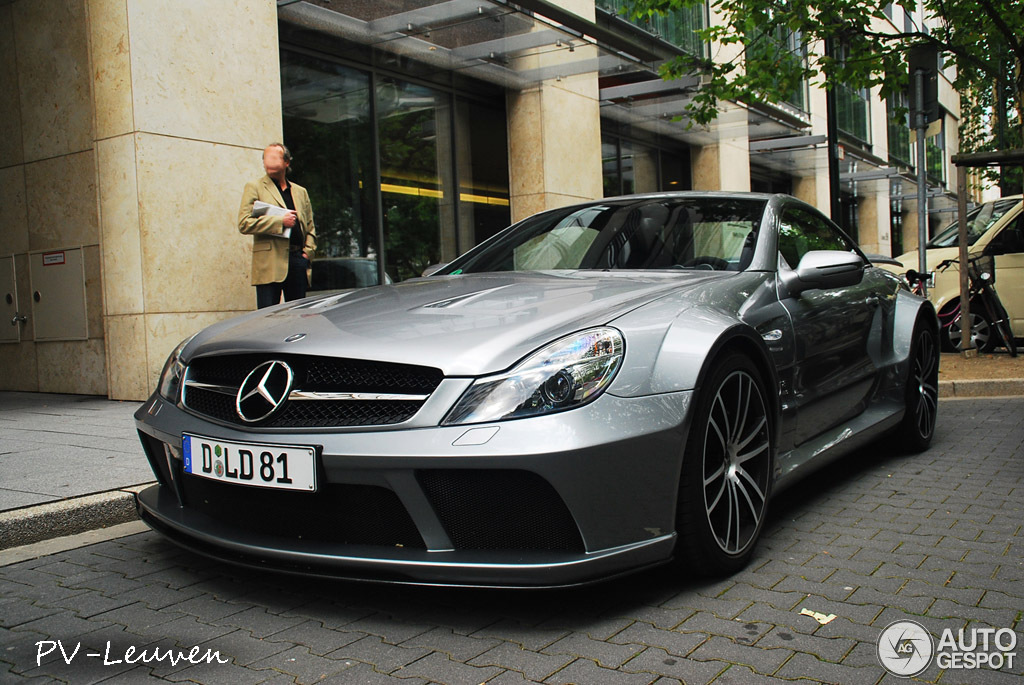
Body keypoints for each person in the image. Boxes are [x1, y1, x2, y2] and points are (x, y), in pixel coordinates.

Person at [237, 143, 317, 308]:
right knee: (268, 319)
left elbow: (310, 226)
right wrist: (279, 221)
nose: (268, 162)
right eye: (266, 158)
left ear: (286, 162)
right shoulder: (255, 187)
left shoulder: (300, 192)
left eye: (274, 158)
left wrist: (307, 253)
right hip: (269, 262)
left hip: (297, 260)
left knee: (298, 315)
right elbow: (244, 223)